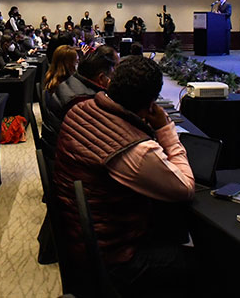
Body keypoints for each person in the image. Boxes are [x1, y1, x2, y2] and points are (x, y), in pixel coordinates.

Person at [53, 56, 195, 297]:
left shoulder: (80, 109)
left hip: (80, 239)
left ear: (110, 84)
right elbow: (185, 188)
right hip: (115, 259)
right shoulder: (137, 151)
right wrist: (165, 130)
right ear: (151, 103)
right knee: (203, 262)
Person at [43, 45, 118, 156]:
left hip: (57, 147)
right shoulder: (84, 101)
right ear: (102, 78)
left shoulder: (72, 82)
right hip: (62, 157)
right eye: (114, 72)